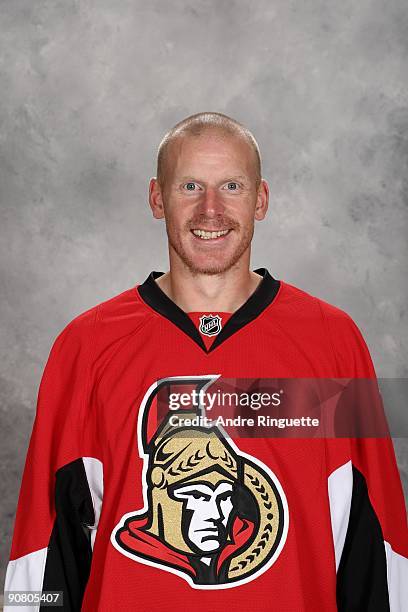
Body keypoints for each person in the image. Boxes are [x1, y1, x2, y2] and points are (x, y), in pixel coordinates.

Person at [4, 112, 407, 610]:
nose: (210, 209)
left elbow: (379, 548)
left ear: (261, 199)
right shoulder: (85, 347)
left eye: (232, 186)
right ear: (157, 198)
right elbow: (41, 550)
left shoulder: (333, 342)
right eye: (189, 185)